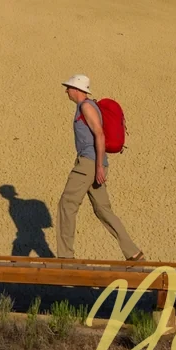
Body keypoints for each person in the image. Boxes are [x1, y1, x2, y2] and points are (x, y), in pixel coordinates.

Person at [56, 74, 144, 261]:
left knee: (67, 204)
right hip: (95, 163)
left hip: (88, 164)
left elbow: (100, 135)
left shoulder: (86, 106)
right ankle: (134, 253)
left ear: (77, 89)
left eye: (68, 88)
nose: (66, 91)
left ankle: (65, 257)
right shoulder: (87, 106)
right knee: (103, 209)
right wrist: (100, 166)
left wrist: (98, 168)